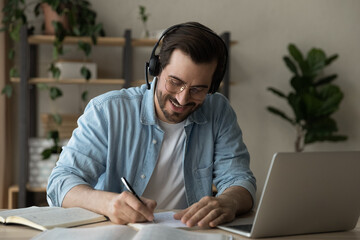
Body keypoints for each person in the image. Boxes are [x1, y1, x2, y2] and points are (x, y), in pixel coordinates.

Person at [47, 22, 256, 228]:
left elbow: (239, 179)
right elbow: (60, 183)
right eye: (174, 82)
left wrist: (228, 201)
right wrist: (108, 204)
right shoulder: (107, 111)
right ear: (156, 69)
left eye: (197, 89)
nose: (182, 99)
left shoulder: (218, 111)